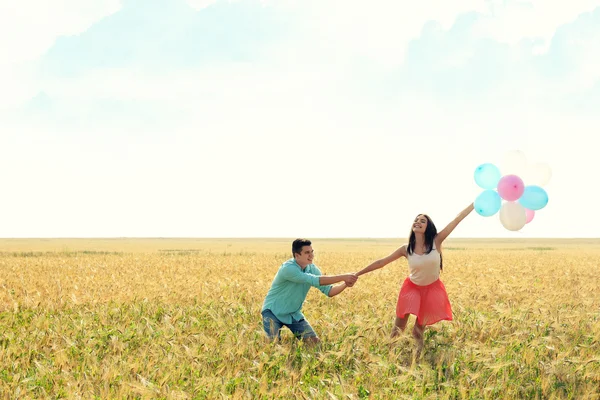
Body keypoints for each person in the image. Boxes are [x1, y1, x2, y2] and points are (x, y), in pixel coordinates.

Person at [355, 203, 474, 354]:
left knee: (418, 331)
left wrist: (474, 205)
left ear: (428, 227)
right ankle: (390, 355)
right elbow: (381, 262)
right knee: (399, 328)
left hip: (431, 290)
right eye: (416, 220)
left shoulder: (436, 242)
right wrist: (357, 273)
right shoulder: (406, 248)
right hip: (412, 288)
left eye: (422, 221)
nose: (418, 222)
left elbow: (457, 219)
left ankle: (417, 358)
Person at [261, 238, 358, 345]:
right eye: (307, 253)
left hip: (293, 313)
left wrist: (345, 284)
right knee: (273, 345)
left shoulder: (312, 269)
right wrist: (344, 277)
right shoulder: (288, 269)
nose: (311, 255)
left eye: (312, 252)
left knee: (315, 344)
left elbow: (329, 291)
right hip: (273, 311)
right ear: (297, 255)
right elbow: (316, 280)